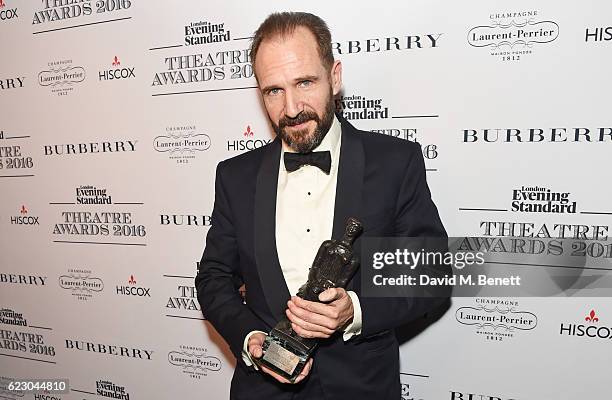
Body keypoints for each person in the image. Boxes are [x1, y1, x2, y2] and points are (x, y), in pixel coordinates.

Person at [195, 11, 449, 400]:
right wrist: (250, 338)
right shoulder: (235, 176)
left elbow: (431, 272)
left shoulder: (395, 163)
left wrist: (357, 312)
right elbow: (213, 279)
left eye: (304, 82)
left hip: (362, 388)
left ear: (335, 77)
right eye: (273, 90)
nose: (292, 107)